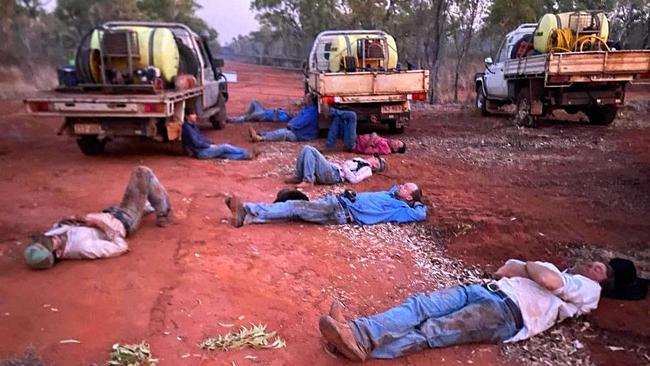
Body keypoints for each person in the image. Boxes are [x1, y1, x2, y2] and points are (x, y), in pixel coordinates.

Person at [317, 258, 615, 361]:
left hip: (507, 313)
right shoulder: (566, 275)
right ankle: (357, 333)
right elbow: (504, 269)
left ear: (604, 281)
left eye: (599, 268)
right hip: (486, 289)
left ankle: (360, 348)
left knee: (431, 331)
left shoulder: (590, 290)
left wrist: (528, 268)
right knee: (420, 305)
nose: (593, 266)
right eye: (594, 262)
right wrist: (528, 270)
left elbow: (544, 279)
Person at [23, 166, 173, 269]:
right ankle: (165, 214)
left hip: (112, 213)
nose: (51, 237)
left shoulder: (52, 236)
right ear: (59, 253)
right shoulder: (84, 248)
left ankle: (148, 206)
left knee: (143, 196)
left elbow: (58, 226)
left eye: (44, 239)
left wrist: (70, 220)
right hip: (124, 220)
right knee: (142, 172)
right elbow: (121, 246)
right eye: (50, 242)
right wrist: (96, 223)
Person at [225, 183, 425, 228]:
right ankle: (249, 218)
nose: (401, 185)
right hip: (337, 202)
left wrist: (418, 203)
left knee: (296, 206)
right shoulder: (390, 194)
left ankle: (247, 210)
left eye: (406, 187)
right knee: (296, 211)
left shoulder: (401, 209)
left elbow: (420, 214)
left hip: (340, 211)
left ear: (409, 198)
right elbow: (393, 188)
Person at [285, 145, 386, 188]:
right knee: (305, 149)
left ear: (375, 165)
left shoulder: (367, 170)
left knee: (310, 150)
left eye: (375, 158)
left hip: (335, 175)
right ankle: (299, 176)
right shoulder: (360, 160)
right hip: (333, 169)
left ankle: (308, 180)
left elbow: (354, 180)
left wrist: (345, 167)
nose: (372, 156)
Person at [182, 113, 256, 160]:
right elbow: (196, 143)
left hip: (203, 150)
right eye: (192, 114)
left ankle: (246, 156)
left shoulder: (193, 126)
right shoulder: (187, 128)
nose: (195, 116)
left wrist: (210, 143)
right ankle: (246, 152)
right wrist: (209, 146)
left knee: (225, 154)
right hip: (201, 152)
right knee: (225, 147)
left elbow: (201, 137)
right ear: (187, 116)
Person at [249, 94, 319, 143]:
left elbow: (302, 122)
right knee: (280, 131)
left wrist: (292, 125)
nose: (304, 98)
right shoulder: (307, 109)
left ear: (310, 100)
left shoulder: (311, 111)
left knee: (282, 133)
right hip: (298, 131)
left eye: (306, 97)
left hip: (301, 134)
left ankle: (261, 138)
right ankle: (260, 134)